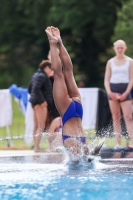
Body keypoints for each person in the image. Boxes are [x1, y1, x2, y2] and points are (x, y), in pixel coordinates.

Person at [45, 26, 102, 163]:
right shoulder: (80, 151)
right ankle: (54, 42)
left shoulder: (84, 149)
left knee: (65, 73)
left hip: (77, 109)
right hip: (70, 115)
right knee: (61, 74)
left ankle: (58, 42)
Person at [104, 40, 133, 148]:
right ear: (114, 49)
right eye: (118, 48)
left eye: (122, 47)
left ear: (125, 48)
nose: (120, 49)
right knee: (116, 117)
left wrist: (127, 92)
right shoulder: (110, 62)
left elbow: (132, 78)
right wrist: (109, 92)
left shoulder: (130, 61)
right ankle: (118, 143)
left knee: (128, 117)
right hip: (113, 89)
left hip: (125, 89)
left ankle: (132, 142)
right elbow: (106, 79)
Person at [28, 60, 53, 152]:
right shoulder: (42, 76)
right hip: (40, 103)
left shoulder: (35, 75)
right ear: (46, 67)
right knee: (41, 126)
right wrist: (42, 101)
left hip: (34, 102)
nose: (51, 71)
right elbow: (35, 88)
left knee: (36, 125)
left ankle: (36, 146)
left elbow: (30, 89)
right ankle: (37, 147)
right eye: (51, 69)